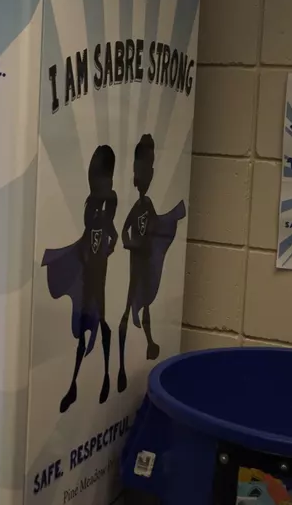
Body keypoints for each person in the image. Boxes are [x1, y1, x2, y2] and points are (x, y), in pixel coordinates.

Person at [42, 145, 118, 413]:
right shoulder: (92, 202)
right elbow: (92, 234)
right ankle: (75, 385)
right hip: (88, 270)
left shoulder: (109, 201)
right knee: (84, 327)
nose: (98, 182)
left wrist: (107, 248)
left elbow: (109, 231)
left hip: (98, 272)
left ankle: (106, 375)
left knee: (99, 319)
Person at [117, 134, 187, 392]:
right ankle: (122, 367)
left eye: (149, 166)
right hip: (136, 264)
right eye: (142, 166)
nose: (146, 172)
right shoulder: (137, 206)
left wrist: (172, 217)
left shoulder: (147, 205)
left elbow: (156, 226)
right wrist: (131, 243)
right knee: (128, 306)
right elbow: (125, 231)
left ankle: (148, 343)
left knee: (145, 303)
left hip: (144, 263)